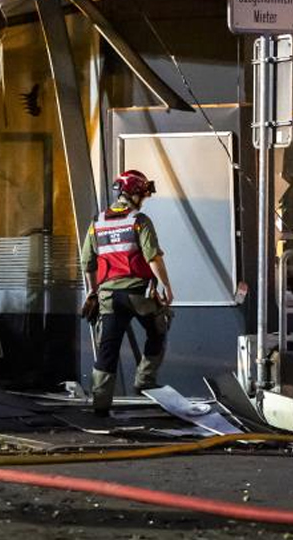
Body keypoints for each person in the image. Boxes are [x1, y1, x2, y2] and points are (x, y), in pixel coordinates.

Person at [80, 169, 174, 417]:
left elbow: (87, 262)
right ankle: (144, 380)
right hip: (138, 295)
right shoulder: (139, 220)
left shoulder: (96, 223)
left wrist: (93, 292)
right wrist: (166, 285)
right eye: (142, 195)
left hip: (109, 297)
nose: (143, 200)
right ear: (132, 194)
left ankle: (100, 404)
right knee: (158, 328)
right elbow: (152, 256)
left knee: (107, 349)